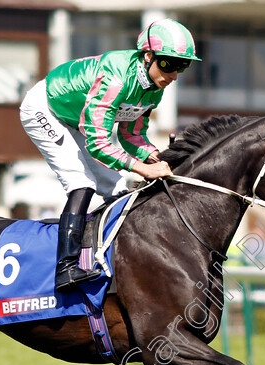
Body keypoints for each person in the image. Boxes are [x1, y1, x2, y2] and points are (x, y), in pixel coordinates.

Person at [19, 18, 200, 292]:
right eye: (168, 64)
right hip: (45, 109)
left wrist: (154, 156)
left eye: (182, 66)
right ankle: (65, 268)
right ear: (148, 56)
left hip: (78, 121)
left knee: (116, 187)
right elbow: (98, 143)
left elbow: (131, 136)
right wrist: (143, 169)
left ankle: (114, 257)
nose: (174, 74)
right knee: (82, 183)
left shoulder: (153, 91)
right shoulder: (116, 78)